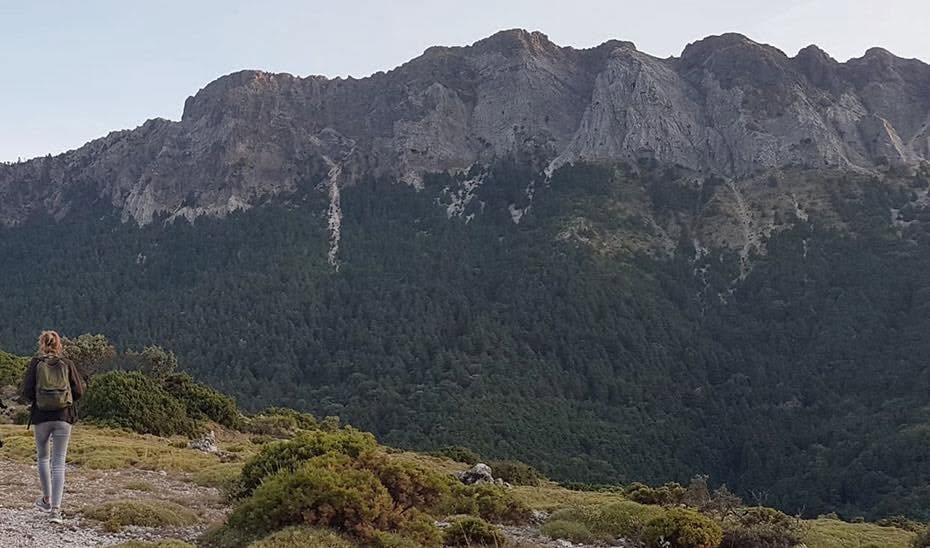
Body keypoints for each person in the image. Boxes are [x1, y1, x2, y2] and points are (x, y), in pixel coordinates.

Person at [21, 331, 85, 524]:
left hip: (41, 417)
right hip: (63, 417)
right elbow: (79, 391)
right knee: (59, 463)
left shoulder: (36, 363)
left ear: (42, 344)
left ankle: (46, 499)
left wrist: (41, 400)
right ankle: (56, 511)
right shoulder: (67, 364)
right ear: (59, 345)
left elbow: (26, 391)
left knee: (43, 458)